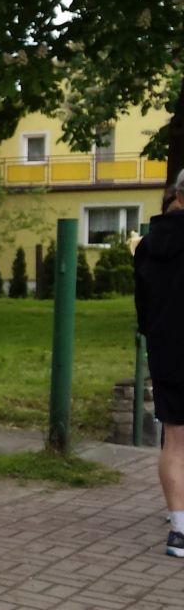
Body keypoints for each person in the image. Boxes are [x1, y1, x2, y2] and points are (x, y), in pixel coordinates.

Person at [134, 169, 184, 558]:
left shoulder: (148, 246)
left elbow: (143, 307)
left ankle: (179, 530)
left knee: (175, 439)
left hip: (167, 351)